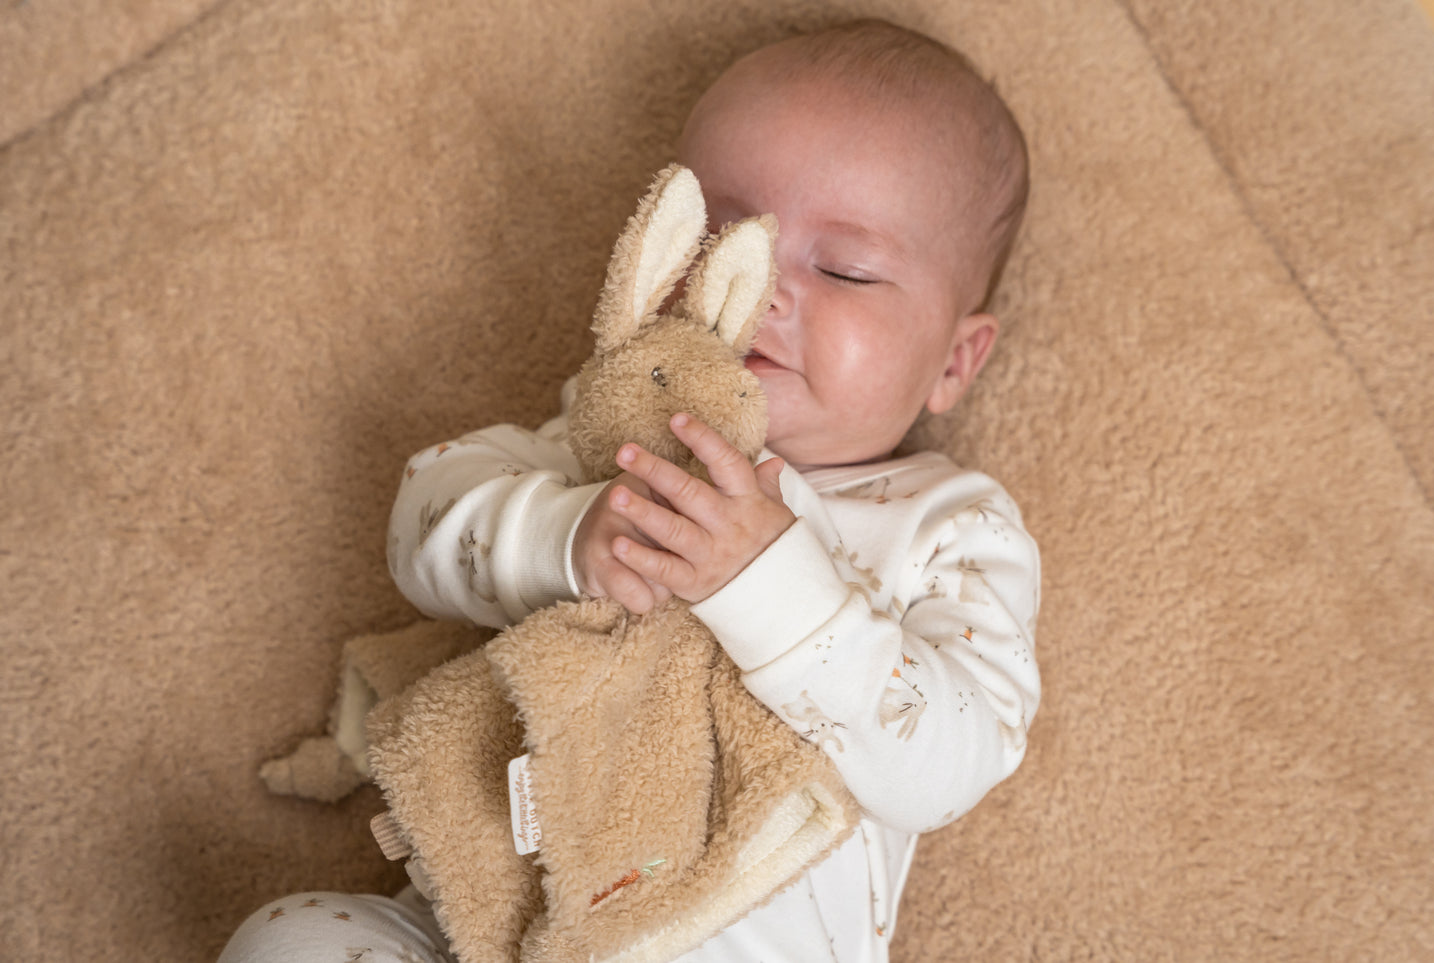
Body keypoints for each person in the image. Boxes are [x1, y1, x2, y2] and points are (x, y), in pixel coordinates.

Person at [220, 18, 1038, 963]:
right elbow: (424, 517)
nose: (763, 283)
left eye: (843, 267)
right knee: (290, 939)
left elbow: (951, 761)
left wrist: (772, 587)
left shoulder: (945, 525)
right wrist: (564, 539)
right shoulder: (615, 431)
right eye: (722, 238)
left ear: (954, 361)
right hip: (491, 925)